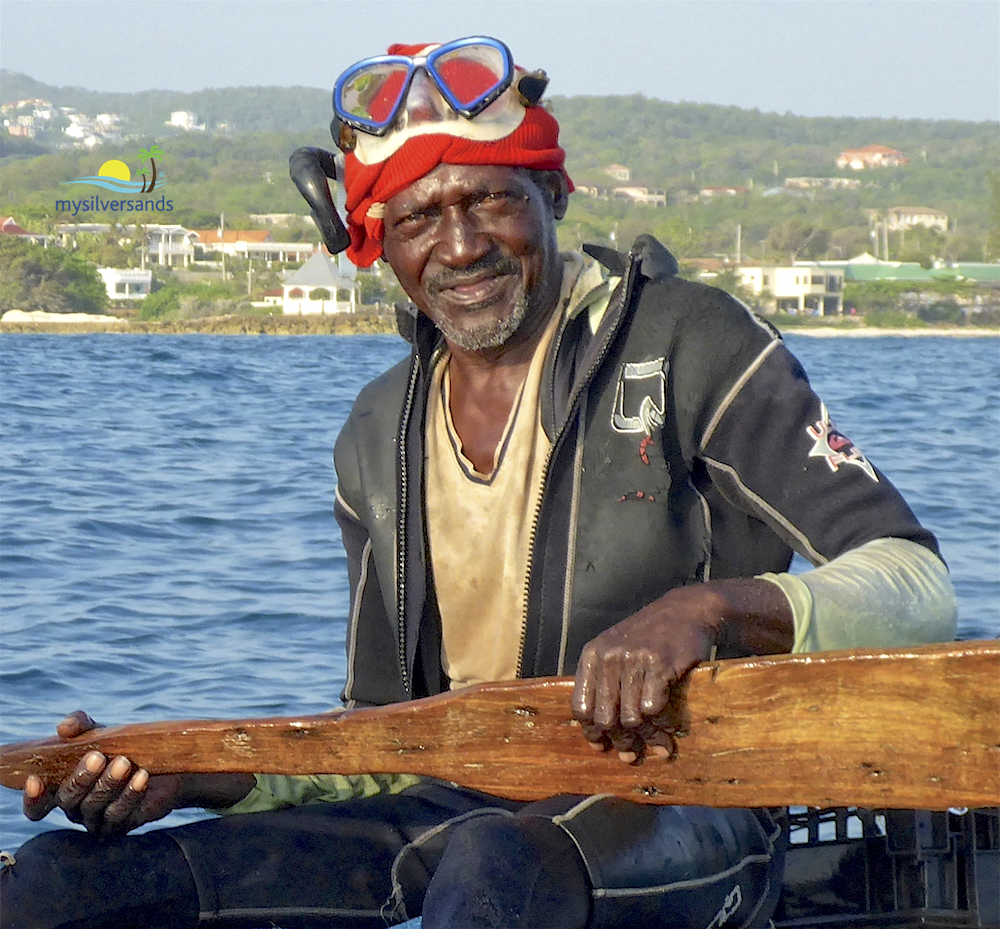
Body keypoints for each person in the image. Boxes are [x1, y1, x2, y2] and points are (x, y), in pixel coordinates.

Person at [1, 36, 956, 929]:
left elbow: (917, 586)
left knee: (497, 869)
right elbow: (380, 741)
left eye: (492, 201)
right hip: (451, 799)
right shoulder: (377, 434)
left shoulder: (692, 343)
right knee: (61, 885)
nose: (460, 246)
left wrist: (706, 610)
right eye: (419, 216)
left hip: (692, 803)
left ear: (555, 193)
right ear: (378, 243)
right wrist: (192, 777)